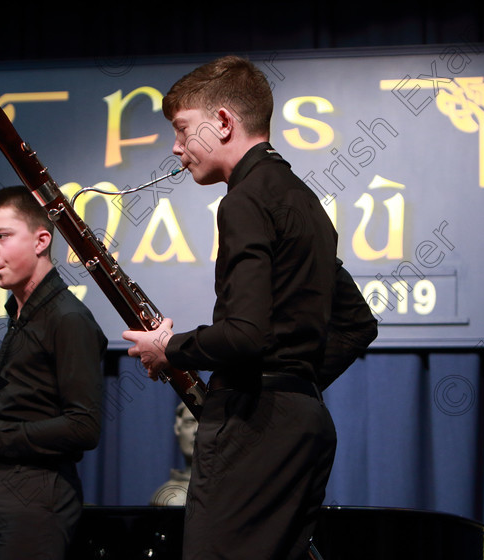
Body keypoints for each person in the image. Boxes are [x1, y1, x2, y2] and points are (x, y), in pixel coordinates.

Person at [123, 55, 378, 559]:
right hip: (304, 428)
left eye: (182, 130)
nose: (175, 149)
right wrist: (292, 382)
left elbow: (244, 335)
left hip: (253, 431)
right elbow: (357, 325)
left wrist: (167, 348)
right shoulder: (304, 201)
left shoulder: (242, 201)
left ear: (222, 122)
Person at [0, 185, 107, 560]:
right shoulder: (18, 317)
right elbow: (20, 410)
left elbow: (84, 427)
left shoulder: (69, 319)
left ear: (41, 240)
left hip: (35, 502)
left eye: (2, 236)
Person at [149, 402, 197, 506]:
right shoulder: (166, 496)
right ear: (177, 429)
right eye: (190, 422)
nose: (197, 430)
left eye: (204, 422)